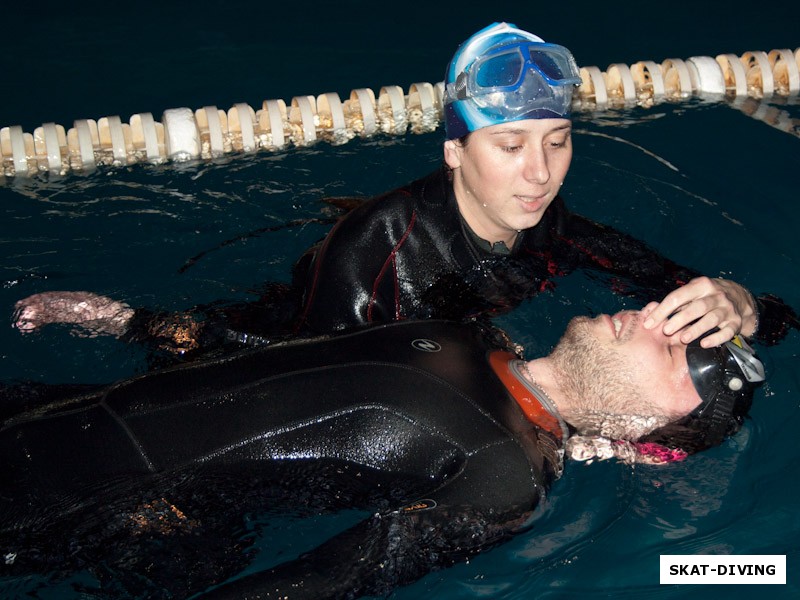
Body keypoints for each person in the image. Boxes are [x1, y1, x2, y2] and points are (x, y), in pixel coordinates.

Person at [11, 23, 797, 367]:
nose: (539, 173)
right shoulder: (375, 252)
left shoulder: (546, 217)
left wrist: (738, 300)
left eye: (558, 144)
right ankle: (125, 320)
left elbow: (679, 286)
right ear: (455, 151)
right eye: (510, 146)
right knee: (194, 341)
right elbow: (312, 372)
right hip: (291, 337)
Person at [0, 301, 766, 599]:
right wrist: (137, 323)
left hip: (64, 503)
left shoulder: (505, 476)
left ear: (647, 445)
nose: (659, 320)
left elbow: (326, 583)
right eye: (676, 316)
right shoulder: (474, 333)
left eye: (677, 356)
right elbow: (286, 352)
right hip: (51, 411)